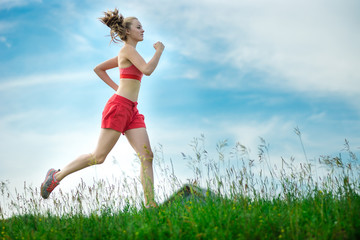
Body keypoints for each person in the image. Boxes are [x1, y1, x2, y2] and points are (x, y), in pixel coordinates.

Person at [40, 9, 164, 208]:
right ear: (128, 31)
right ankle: (56, 176)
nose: (143, 30)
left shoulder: (128, 53)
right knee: (98, 157)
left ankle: (150, 206)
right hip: (118, 108)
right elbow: (147, 70)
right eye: (139, 27)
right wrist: (159, 51)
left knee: (147, 156)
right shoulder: (127, 50)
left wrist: (119, 89)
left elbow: (99, 68)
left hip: (131, 109)